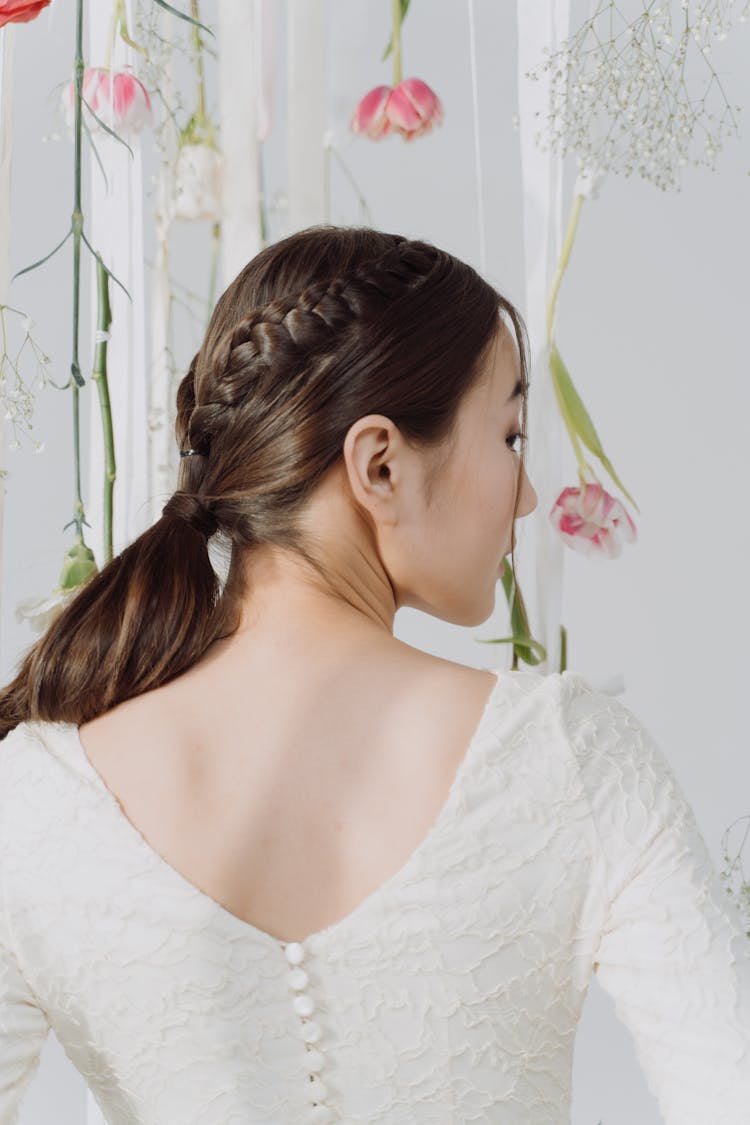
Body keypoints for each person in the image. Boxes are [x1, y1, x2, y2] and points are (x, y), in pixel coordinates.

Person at [0, 225, 748, 1123]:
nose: (529, 494)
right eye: (510, 435)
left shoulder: (39, 800)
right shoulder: (573, 760)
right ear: (379, 463)